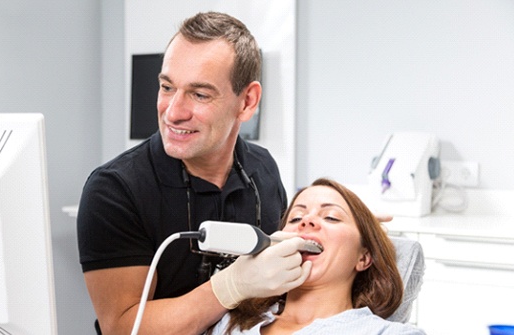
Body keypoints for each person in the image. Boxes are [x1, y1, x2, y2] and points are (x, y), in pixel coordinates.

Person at [77, 12, 311, 335]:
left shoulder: (263, 171)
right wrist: (230, 286)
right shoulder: (115, 190)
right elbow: (123, 327)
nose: (174, 112)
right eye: (166, 87)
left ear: (247, 102)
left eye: (199, 95)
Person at [207, 178, 426, 335]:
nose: (306, 221)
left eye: (331, 217)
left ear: (363, 258)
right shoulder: (229, 323)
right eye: (295, 218)